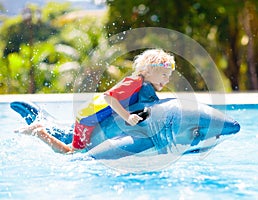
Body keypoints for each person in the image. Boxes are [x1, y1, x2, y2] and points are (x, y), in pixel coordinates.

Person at [15, 49, 176, 154]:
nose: (167, 80)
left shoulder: (144, 86)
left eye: (169, 76)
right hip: (87, 119)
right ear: (148, 71)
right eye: (164, 75)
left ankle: (41, 130)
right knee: (72, 154)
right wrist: (127, 117)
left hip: (94, 115)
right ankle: (39, 132)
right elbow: (108, 96)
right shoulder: (134, 82)